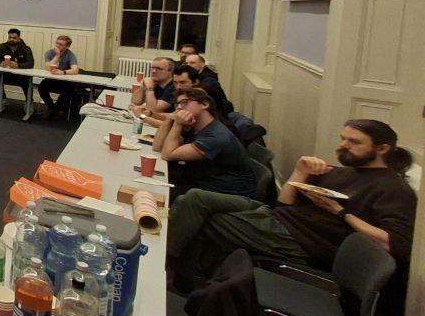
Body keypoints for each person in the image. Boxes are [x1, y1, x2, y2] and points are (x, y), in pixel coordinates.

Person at [169, 119, 416, 286]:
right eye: (343, 139)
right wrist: (300, 171)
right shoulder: (341, 171)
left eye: (354, 142)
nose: (343, 145)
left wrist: (340, 213)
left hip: (301, 241)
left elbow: (394, 244)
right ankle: (181, 270)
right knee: (195, 199)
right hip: (278, 218)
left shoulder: (394, 189)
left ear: (382, 148)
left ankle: (173, 270)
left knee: (204, 221)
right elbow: (284, 204)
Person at [152, 88, 257, 199]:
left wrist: (177, 124)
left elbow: (167, 155)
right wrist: (169, 119)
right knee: (155, 183)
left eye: (185, 102)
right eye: (177, 105)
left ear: (204, 104)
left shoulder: (216, 136)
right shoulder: (194, 126)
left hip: (226, 192)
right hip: (203, 181)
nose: (179, 108)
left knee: (157, 194)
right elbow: (158, 147)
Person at [35, 35, 81, 120]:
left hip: (65, 81)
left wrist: (63, 72)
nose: (57, 46)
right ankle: (53, 108)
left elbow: (75, 70)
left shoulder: (70, 55)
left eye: (61, 44)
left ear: (67, 46)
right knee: (41, 87)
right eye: (57, 43)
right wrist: (57, 55)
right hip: (51, 79)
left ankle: (53, 110)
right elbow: (48, 68)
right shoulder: (49, 52)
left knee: (69, 90)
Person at [0, 28, 35, 109]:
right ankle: (2, 98)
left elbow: (31, 63)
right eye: (10, 37)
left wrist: (18, 66)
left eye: (14, 38)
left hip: (21, 75)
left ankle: (29, 102)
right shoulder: (3, 46)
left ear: (19, 38)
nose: (11, 39)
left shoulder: (26, 49)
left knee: (27, 79)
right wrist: (0, 63)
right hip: (6, 74)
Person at [130, 56, 177, 120]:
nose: (154, 71)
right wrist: (143, 85)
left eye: (159, 69)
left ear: (170, 71)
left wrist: (149, 88)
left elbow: (153, 111)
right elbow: (135, 102)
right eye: (152, 68)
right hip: (151, 120)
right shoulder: (155, 82)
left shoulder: (174, 87)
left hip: (165, 123)